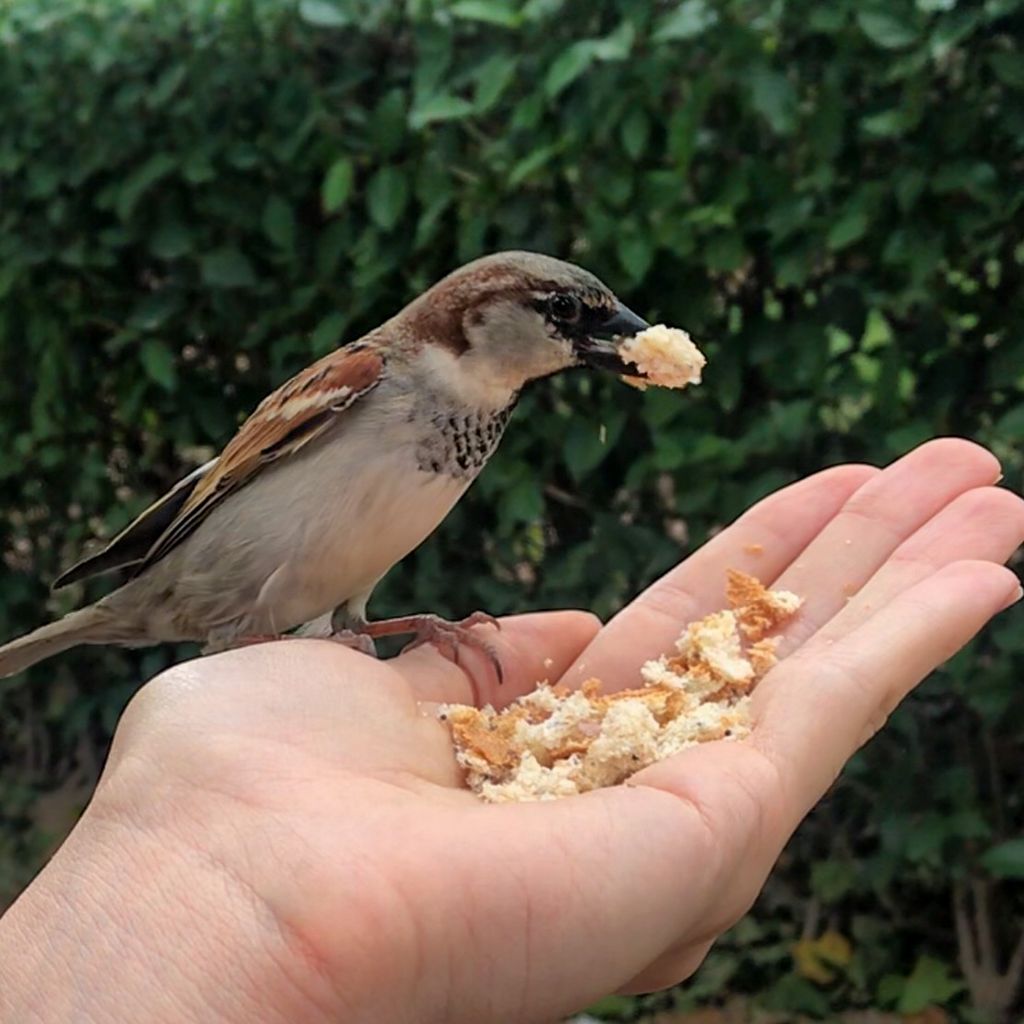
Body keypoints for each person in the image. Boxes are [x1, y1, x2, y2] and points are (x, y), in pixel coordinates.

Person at [0, 438, 1020, 1024]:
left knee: (354, 619)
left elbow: (343, 613)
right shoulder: (373, 376)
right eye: (566, 316)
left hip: (308, 613)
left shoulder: (466, 427)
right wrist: (218, 879)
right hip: (217, 583)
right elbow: (221, 480)